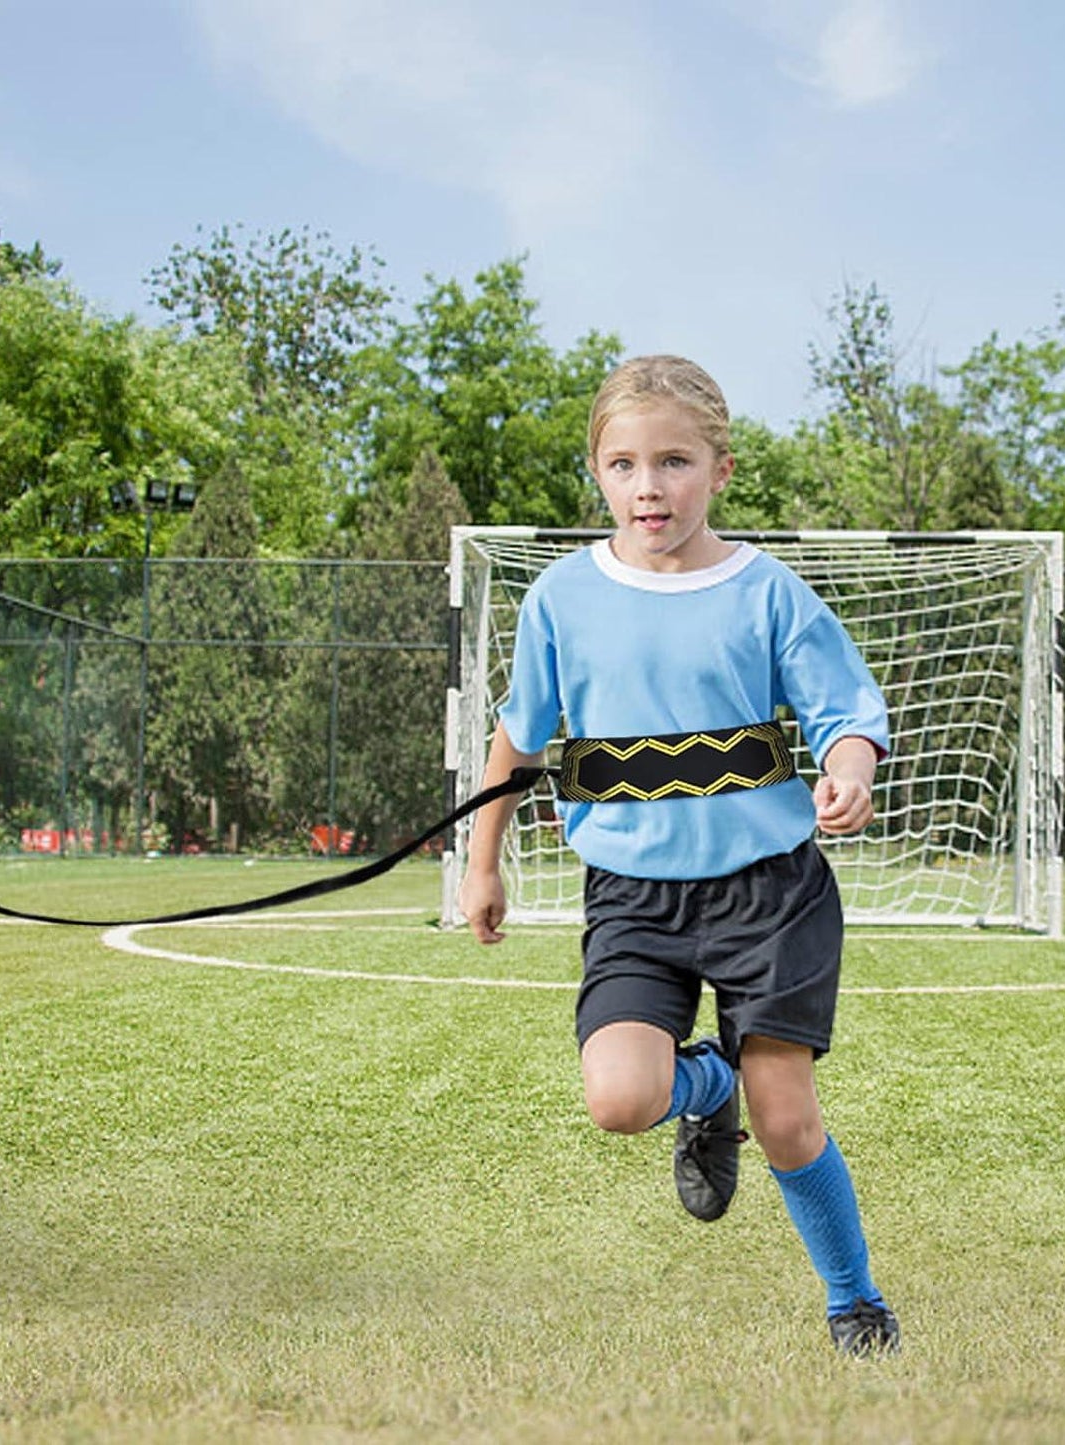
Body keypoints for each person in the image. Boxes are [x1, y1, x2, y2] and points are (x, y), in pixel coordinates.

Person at [457, 354, 900, 1356]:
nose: (646, 485)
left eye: (672, 460)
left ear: (719, 468)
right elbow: (517, 738)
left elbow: (843, 709)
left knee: (787, 1120)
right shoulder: (561, 599)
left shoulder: (765, 592)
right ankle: (709, 1089)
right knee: (620, 1099)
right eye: (621, 464)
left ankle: (851, 1298)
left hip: (768, 892)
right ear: (596, 474)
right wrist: (479, 862)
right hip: (632, 896)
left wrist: (847, 766)